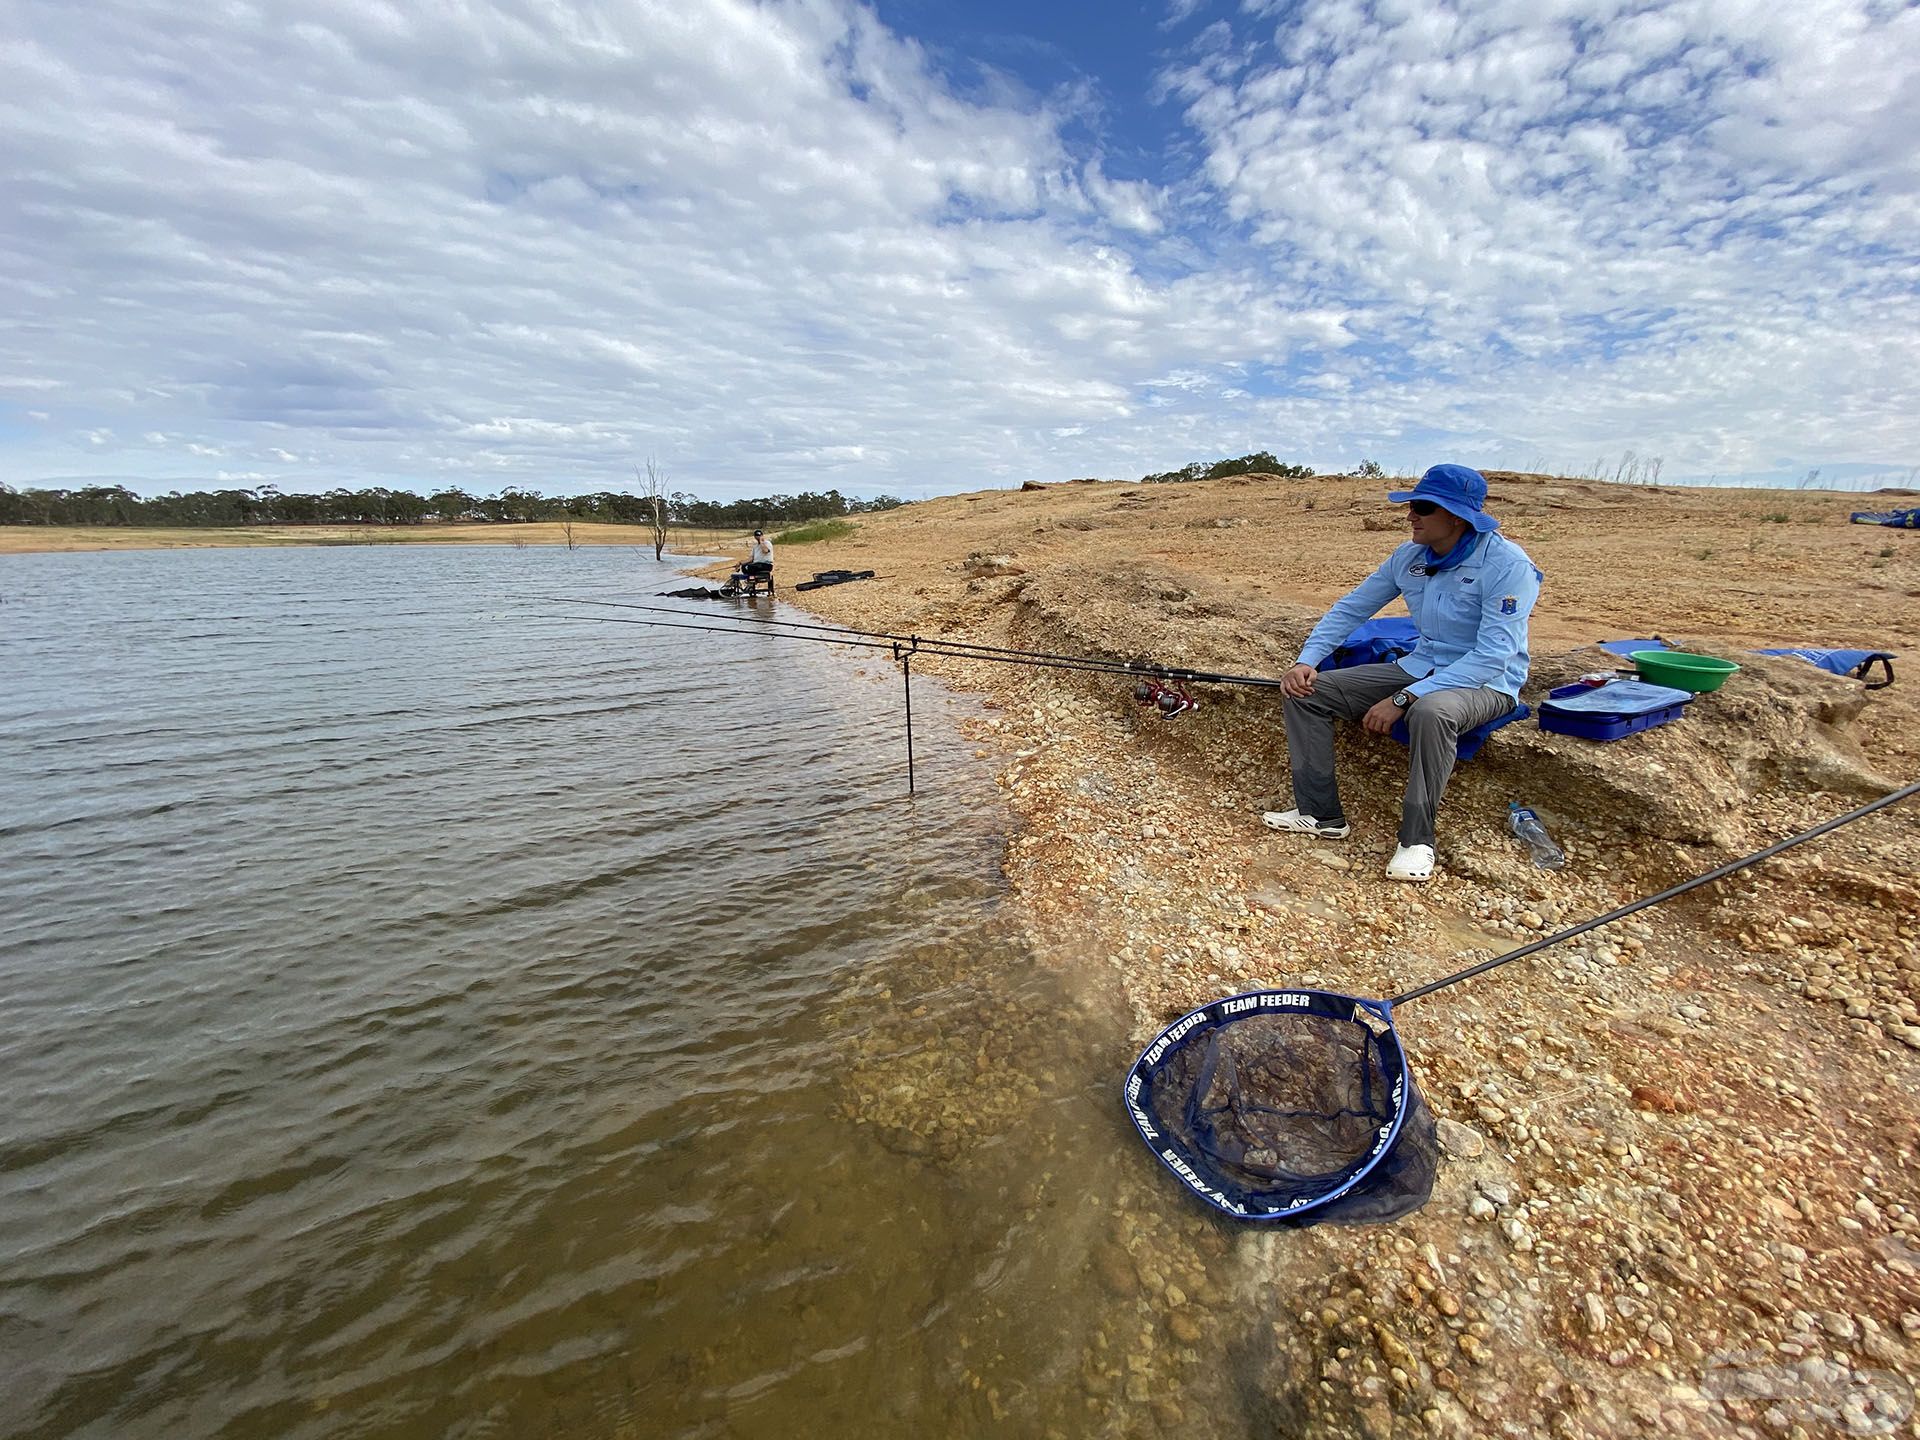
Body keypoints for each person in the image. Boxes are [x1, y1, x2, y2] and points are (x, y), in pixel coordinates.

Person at [1264, 464, 1540, 883]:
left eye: (1423, 507)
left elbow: (1493, 655)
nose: (1411, 515)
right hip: (1418, 665)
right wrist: (1307, 660)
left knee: (1431, 712)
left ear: (1456, 517)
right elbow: (1352, 608)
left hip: (1485, 682)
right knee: (1307, 692)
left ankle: (1417, 841)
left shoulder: (1507, 566)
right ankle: (1319, 814)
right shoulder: (1409, 556)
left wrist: (1403, 698)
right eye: (1411, 505)